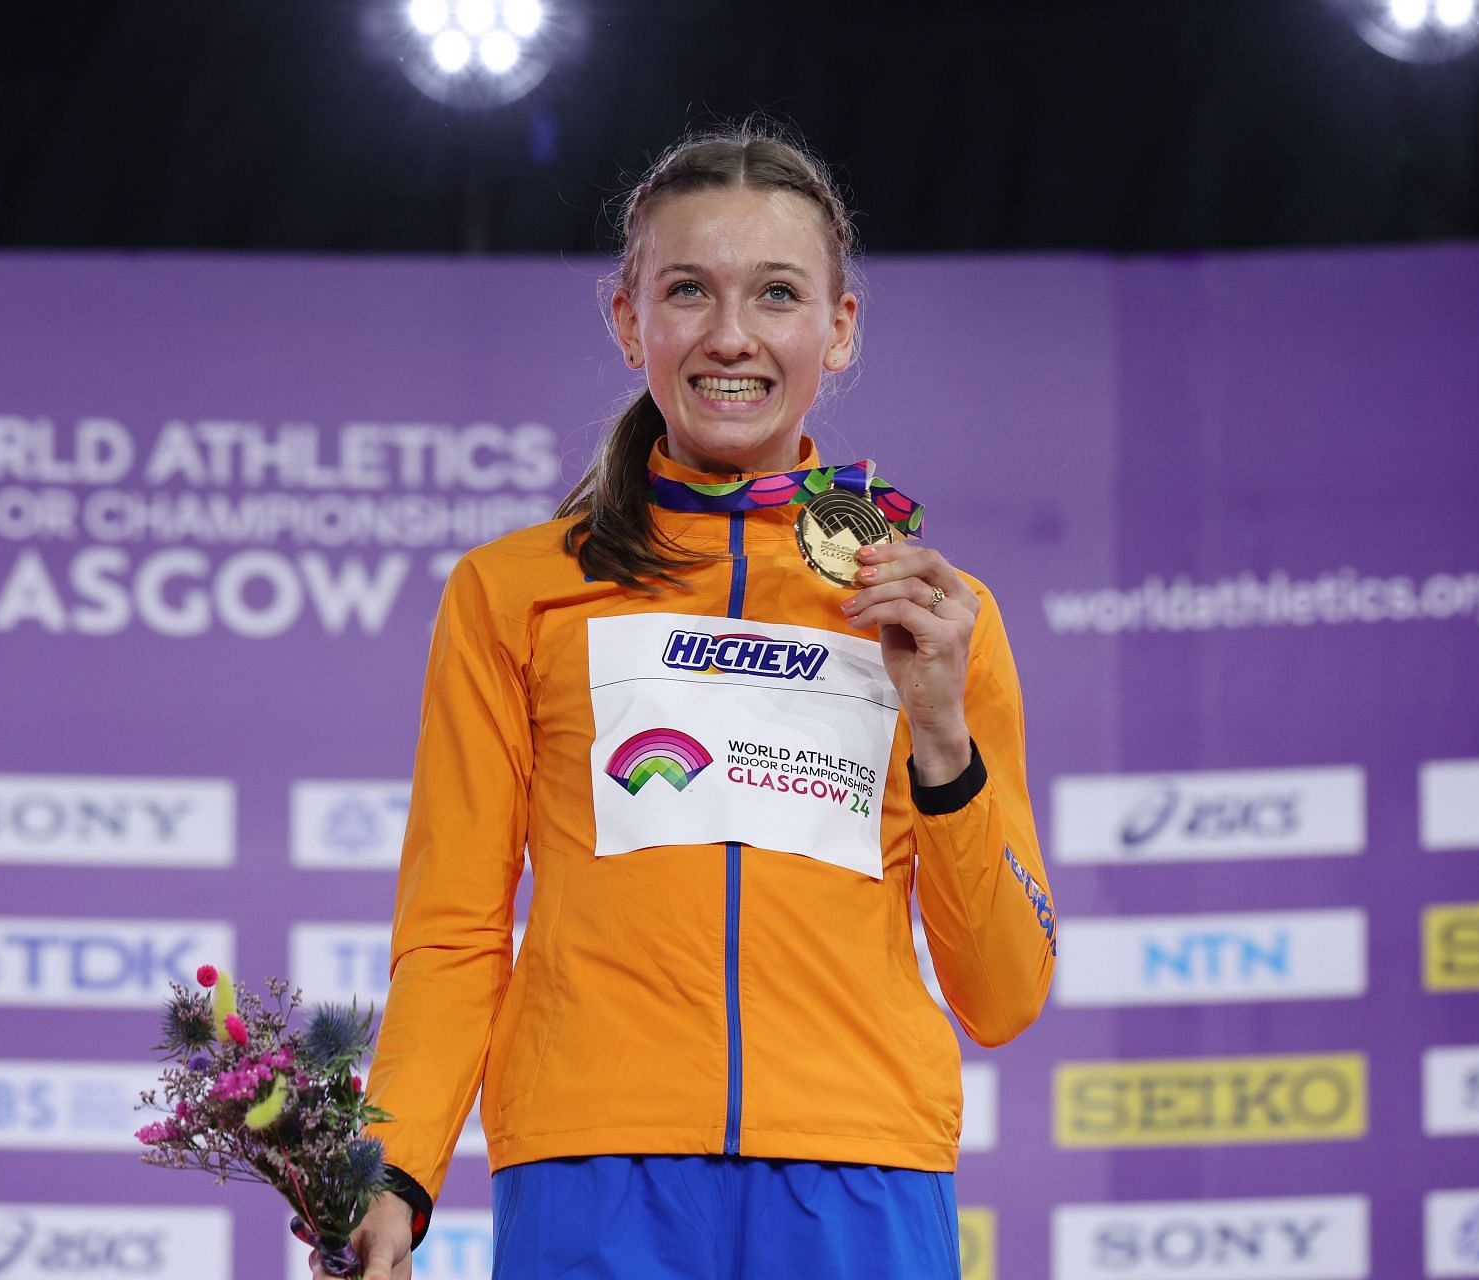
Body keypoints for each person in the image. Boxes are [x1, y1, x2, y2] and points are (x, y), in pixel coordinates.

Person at [312, 124, 1058, 1280]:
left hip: (861, 1169)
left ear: (840, 327)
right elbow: (456, 930)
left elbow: (1005, 991)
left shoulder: (935, 614)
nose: (731, 336)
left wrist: (943, 729)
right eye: (689, 291)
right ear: (628, 320)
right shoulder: (515, 593)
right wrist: (395, 1170)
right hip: (593, 1170)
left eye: (776, 294)